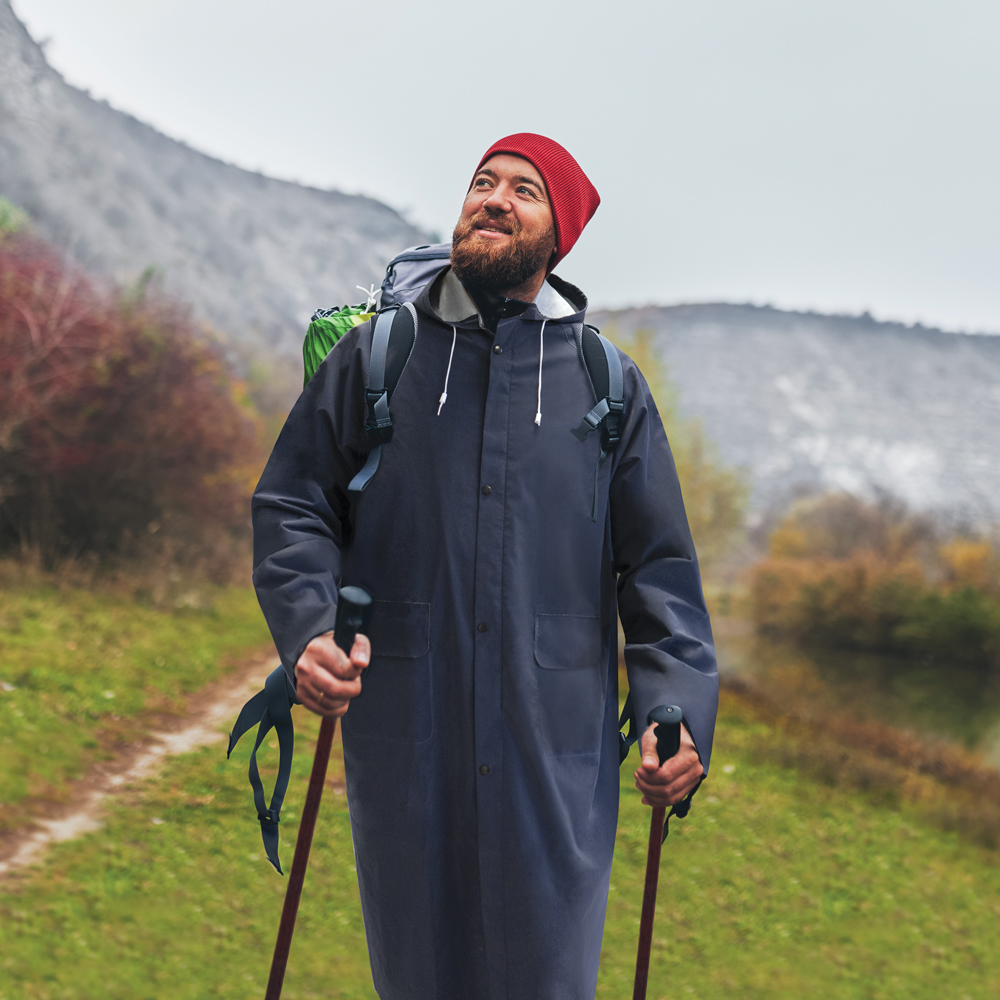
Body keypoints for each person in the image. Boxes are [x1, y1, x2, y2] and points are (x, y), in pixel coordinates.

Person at [251, 133, 718, 1000]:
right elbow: (294, 505)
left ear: (559, 235)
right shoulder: (377, 357)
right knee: (418, 976)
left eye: (524, 191)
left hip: (555, 756)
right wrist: (311, 628)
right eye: (483, 182)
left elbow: (658, 572)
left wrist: (679, 710)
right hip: (407, 737)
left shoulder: (609, 386)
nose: (495, 198)